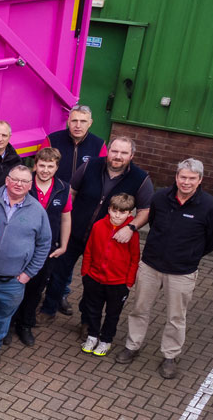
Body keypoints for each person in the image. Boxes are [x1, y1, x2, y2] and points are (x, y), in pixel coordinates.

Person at [116, 159, 213, 379]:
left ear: (200, 180)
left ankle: (170, 355)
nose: (186, 182)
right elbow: (154, 223)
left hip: (182, 272)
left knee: (176, 317)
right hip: (150, 266)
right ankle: (133, 345)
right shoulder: (160, 198)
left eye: (192, 179)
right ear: (176, 177)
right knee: (139, 308)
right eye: (182, 177)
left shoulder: (210, 207)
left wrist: (192, 254)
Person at [41, 136, 152, 319]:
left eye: (123, 153)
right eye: (114, 151)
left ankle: (87, 321)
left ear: (131, 155)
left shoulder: (140, 178)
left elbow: (145, 210)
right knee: (58, 273)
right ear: (108, 151)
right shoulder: (89, 166)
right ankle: (48, 309)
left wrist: (131, 227)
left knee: (93, 283)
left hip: (105, 240)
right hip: (74, 233)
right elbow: (72, 193)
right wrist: (63, 223)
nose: (118, 156)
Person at [0, 166, 52, 368]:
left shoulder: (37, 211)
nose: (19, 184)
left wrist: (28, 273)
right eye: (15, 179)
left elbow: (44, 243)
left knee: (1, 316)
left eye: (24, 181)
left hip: (12, 280)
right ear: (6, 180)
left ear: (31, 185)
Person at [10, 147, 72, 344]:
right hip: (21, 245)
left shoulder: (63, 188)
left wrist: (63, 245)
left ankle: (25, 325)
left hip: (47, 249)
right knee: (13, 286)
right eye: (42, 165)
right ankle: (8, 324)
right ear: (35, 165)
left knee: (36, 288)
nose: (45, 170)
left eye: (50, 166)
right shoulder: (25, 184)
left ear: (56, 167)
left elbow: (65, 217)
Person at [79, 194, 140, 357]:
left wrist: (128, 282)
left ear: (129, 214)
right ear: (109, 210)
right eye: (115, 211)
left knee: (113, 314)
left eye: (122, 212)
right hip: (94, 279)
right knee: (93, 310)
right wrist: (85, 273)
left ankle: (106, 340)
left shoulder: (132, 234)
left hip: (118, 283)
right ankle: (92, 336)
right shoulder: (98, 226)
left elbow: (135, 259)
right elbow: (89, 250)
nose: (117, 215)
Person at [39, 104, 107, 183]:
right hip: (56, 191)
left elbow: (103, 174)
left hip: (83, 193)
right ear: (68, 121)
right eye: (74, 121)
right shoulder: (51, 140)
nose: (78, 126)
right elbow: (38, 167)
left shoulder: (99, 144)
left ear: (90, 123)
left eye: (83, 121)